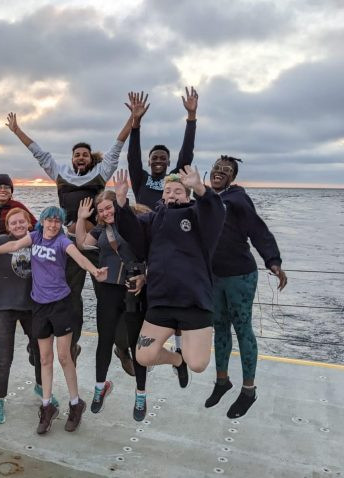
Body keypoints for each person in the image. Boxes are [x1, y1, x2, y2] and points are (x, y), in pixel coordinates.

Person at [5, 102, 134, 367]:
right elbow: (39, 153)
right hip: (69, 245)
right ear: (72, 158)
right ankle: (71, 343)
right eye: (77, 154)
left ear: (90, 159)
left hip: (97, 244)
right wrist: (18, 131)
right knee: (69, 298)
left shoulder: (101, 173)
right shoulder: (60, 174)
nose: (81, 157)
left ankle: (122, 348)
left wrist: (133, 119)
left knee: (109, 298)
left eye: (85, 154)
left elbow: (117, 147)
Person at [0, 206, 108, 435]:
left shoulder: (62, 241)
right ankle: (46, 407)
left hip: (61, 305)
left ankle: (76, 404)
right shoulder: (35, 237)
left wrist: (95, 271)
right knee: (45, 359)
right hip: (38, 306)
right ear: (42, 221)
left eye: (58, 221)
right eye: (50, 220)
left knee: (65, 357)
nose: (53, 225)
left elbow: (78, 256)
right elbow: (13, 245)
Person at [113, 168, 225, 390]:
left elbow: (215, 213)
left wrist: (201, 189)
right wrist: (121, 203)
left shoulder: (197, 215)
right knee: (144, 356)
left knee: (199, 364)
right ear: (162, 195)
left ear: (187, 196)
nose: (172, 194)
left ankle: (187, 360)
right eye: (168, 190)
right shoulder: (152, 219)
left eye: (178, 191)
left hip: (194, 301)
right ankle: (177, 360)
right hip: (161, 300)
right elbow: (131, 233)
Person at [206, 155, 288, 418]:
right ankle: (222, 381)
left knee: (243, 329)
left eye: (226, 170)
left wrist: (273, 261)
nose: (219, 172)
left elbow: (257, 229)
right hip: (214, 277)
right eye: (216, 168)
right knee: (219, 329)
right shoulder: (204, 198)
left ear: (233, 176)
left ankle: (249, 390)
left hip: (240, 276)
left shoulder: (238, 199)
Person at [126, 87, 199, 355]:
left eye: (163, 158)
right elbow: (132, 156)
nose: (158, 160)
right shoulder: (141, 179)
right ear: (149, 161)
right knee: (146, 298)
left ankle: (179, 348)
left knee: (176, 294)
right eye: (154, 157)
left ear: (169, 163)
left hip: (172, 245)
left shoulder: (174, 181)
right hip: (146, 244)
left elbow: (187, 154)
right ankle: (144, 345)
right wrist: (136, 123)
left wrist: (191, 117)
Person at [0, 206, 50, 424]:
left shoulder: (38, 242)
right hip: (3, 307)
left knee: (41, 353)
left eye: (21, 222)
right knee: (4, 357)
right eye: (13, 223)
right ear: (7, 227)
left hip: (33, 307)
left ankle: (42, 387)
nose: (17, 225)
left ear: (29, 223)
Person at [76, 192, 149, 421]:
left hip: (132, 289)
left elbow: (152, 250)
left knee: (136, 344)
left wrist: (145, 275)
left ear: (117, 205)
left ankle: (140, 393)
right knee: (104, 340)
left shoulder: (135, 221)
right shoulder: (99, 231)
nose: (106, 213)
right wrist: (80, 218)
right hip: (108, 290)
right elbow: (82, 243)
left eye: (109, 208)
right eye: (102, 210)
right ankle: (99, 388)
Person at [0, 174, 37, 368]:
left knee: (26, 305)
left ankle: (33, 346)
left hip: (14, 261)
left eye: (7, 187)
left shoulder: (18, 206)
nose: (3, 190)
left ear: (12, 191)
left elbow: (34, 226)